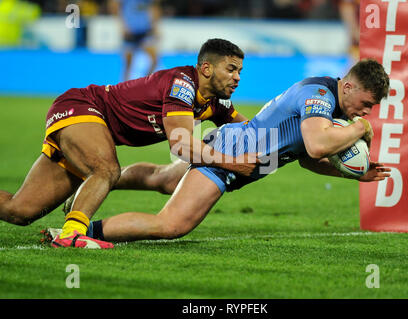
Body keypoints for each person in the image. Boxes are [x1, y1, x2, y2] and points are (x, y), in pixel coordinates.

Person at [45, 58, 391, 247]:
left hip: (237, 146)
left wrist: (353, 173)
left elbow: (306, 156)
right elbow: (318, 145)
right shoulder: (319, 96)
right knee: (172, 225)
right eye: (366, 104)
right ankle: (80, 233)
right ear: (348, 86)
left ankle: (90, 188)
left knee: (162, 178)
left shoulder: (333, 108)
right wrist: (359, 131)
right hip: (233, 156)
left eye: (370, 109)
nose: (366, 113)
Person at [0, 38, 258, 248]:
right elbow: (180, 145)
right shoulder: (182, 84)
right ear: (206, 69)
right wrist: (233, 164)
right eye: (231, 69)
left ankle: (88, 197)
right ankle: (72, 233)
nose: (237, 78)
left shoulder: (218, 103)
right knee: (105, 170)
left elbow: (252, 133)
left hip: (91, 131)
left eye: (240, 71)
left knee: (20, 211)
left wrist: (287, 144)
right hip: (82, 107)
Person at [109, 0, 162, 80]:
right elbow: (114, 6)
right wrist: (122, 25)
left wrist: (155, 26)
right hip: (130, 30)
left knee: (154, 60)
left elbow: (154, 7)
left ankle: (145, 82)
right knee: (128, 63)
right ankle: (124, 87)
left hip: (145, 29)